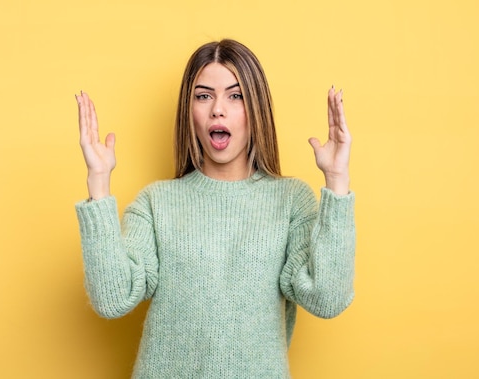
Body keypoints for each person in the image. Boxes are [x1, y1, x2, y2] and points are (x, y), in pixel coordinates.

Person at [74, 39, 355, 378]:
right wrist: (99, 183)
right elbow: (112, 299)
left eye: (235, 96)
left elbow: (327, 299)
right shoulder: (155, 202)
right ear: (189, 111)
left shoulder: (292, 200)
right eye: (203, 95)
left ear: (257, 108)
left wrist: (336, 179)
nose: (217, 109)